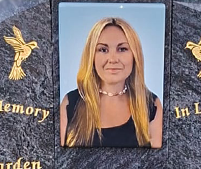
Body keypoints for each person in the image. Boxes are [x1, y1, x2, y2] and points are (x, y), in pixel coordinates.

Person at [60, 17, 163, 149]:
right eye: (103, 50)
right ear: (91, 56)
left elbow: (161, 161)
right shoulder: (70, 103)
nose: (113, 59)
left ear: (135, 55)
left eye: (122, 49)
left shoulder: (151, 105)